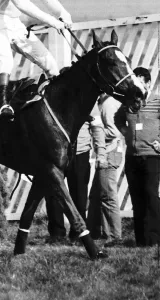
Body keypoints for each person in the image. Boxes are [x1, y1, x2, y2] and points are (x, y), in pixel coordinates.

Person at [0, 0, 72, 121]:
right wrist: (53, 21)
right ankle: (3, 105)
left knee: (50, 63)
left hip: (16, 23)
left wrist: (63, 13)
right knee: (6, 62)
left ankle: (60, 103)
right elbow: (22, 4)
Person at [45, 101, 106, 243]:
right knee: (53, 194)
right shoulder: (55, 95)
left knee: (79, 195)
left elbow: (97, 127)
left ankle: (79, 233)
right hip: (56, 153)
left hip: (80, 153)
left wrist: (101, 152)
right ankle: (56, 234)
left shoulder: (88, 99)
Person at [115, 67, 160, 247]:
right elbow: (117, 119)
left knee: (150, 194)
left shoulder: (157, 101)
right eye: (135, 82)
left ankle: (155, 238)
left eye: (141, 81)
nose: (137, 85)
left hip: (152, 156)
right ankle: (141, 240)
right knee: (137, 197)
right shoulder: (128, 102)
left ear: (148, 83)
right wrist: (126, 133)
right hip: (132, 157)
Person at [86, 92, 123, 246]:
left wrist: (92, 130)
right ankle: (95, 232)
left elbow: (114, 131)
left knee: (108, 196)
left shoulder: (107, 105)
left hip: (109, 153)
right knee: (96, 196)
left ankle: (114, 236)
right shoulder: (103, 102)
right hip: (106, 152)